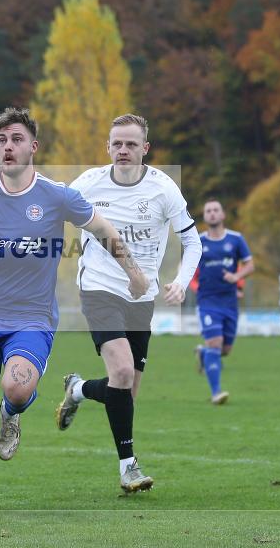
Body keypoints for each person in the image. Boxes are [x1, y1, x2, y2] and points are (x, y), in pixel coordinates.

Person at [0, 107, 150, 510]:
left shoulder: (56, 196)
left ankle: (12, 413)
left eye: (16, 140)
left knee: (17, 388)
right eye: (1, 140)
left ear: (33, 147)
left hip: (31, 318)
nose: (8, 147)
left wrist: (133, 272)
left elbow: (102, 229)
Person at [54, 114, 202, 493]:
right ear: (108, 147)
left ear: (145, 149)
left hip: (142, 298)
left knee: (126, 393)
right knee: (121, 374)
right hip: (100, 288)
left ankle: (79, 389)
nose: (123, 150)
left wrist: (181, 283)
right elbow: (52, 217)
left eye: (131, 144)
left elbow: (192, 242)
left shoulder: (163, 189)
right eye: (117, 143)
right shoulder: (87, 183)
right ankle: (128, 468)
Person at [193, 200, 254, 405]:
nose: (211, 214)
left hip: (229, 302)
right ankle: (216, 392)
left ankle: (203, 354)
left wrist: (237, 278)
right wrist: (181, 287)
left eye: (215, 210)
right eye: (208, 211)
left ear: (223, 214)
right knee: (215, 343)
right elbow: (186, 267)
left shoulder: (236, 239)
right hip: (207, 301)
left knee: (224, 350)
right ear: (205, 216)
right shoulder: (198, 241)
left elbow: (250, 265)